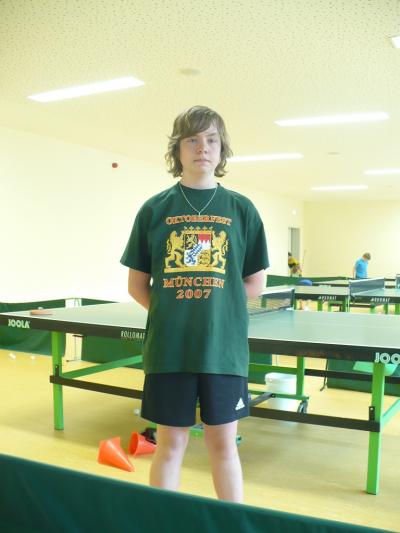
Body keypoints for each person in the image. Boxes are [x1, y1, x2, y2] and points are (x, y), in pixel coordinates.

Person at [120, 105, 269, 503]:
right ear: (178, 149)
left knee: (224, 446)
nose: (202, 147)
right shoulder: (154, 209)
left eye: (212, 140)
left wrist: (218, 309)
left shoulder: (242, 210)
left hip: (224, 351)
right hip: (169, 351)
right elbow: (137, 285)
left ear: (221, 150)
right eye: (192, 139)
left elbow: (255, 282)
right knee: (170, 444)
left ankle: (232, 524)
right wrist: (173, 314)